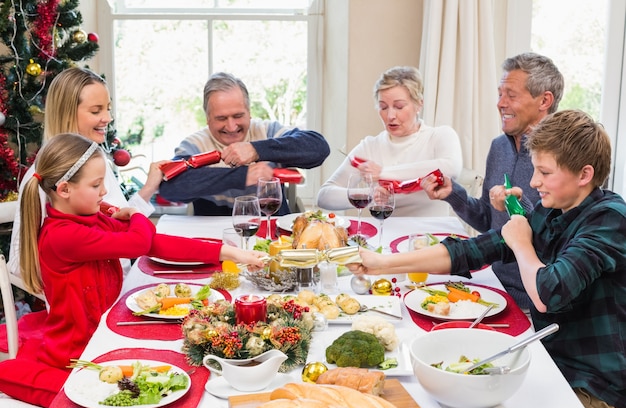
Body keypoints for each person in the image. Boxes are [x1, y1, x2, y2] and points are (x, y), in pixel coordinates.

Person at [349, 110, 626, 408]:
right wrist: (381, 264)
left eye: (545, 173)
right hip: (552, 364)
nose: (534, 182)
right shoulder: (553, 210)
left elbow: (549, 293)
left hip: (596, 391)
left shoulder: (610, 218)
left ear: (584, 175)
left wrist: (521, 244)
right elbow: (471, 252)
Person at [0, 134, 266, 408]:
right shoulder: (63, 236)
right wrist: (137, 214)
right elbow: (140, 241)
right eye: (95, 185)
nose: (104, 191)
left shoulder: (92, 220)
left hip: (108, 333)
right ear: (65, 189)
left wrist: (229, 252)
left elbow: (152, 242)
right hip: (81, 351)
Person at [421, 52, 564, 310]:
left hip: (535, 304)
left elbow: (556, 241)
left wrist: (517, 208)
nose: (500, 103)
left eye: (511, 95)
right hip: (493, 287)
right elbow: (489, 221)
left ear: (544, 100)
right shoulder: (499, 147)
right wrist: (453, 194)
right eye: (500, 94)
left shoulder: (565, 157)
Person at [8, 67, 167, 278]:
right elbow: (19, 264)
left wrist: (148, 189)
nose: (108, 118)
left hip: (122, 284)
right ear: (67, 113)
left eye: (108, 109)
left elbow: (118, 221)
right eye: (96, 111)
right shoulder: (45, 176)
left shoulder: (94, 159)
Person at [158, 72, 330, 216]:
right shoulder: (195, 144)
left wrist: (256, 150)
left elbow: (319, 148)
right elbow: (171, 187)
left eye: (238, 116)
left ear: (249, 113)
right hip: (216, 241)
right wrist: (242, 176)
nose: (231, 126)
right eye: (221, 118)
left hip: (273, 236)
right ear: (208, 118)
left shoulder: (267, 131)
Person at [316, 66, 463, 217]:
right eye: (383, 107)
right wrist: (371, 193)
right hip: (382, 236)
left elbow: (451, 168)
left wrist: (383, 173)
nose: (390, 115)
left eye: (399, 106)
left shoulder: (439, 136)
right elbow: (324, 196)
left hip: (431, 237)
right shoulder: (370, 146)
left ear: (419, 104)